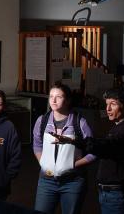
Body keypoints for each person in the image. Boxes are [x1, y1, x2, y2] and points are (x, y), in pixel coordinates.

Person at [50, 86, 124, 214]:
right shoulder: (119, 128)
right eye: (107, 104)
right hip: (111, 194)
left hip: (117, 195)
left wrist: (74, 141)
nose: (108, 109)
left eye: (113, 104)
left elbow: (106, 146)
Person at [32, 82, 96, 214]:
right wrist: (42, 162)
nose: (53, 100)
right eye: (51, 96)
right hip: (46, 181)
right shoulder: (42, 121)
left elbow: (94, 151)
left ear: (67, 100)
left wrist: (73, 164)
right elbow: (37, 144)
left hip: (72, 182)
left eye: (59, 97)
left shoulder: (80, 123)